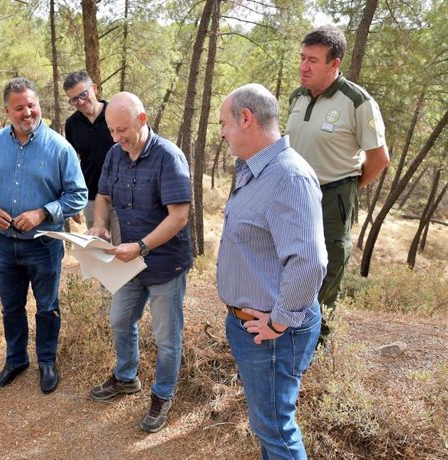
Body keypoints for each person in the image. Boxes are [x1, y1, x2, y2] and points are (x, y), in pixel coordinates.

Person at [217, 84, 327, 458]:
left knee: (275, 428)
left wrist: (279, 322)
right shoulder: (253, 170)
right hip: (252, 325)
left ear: (245, 118)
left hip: (272, 333)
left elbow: (309, 262)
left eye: (223, 123)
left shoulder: (289, 176)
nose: (221, 132)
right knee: (268, 425)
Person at [0, 77, 87, 395]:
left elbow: (78, 195)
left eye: (31, 105)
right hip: (5, 245)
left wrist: (42, 212)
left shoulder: (60, 148)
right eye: (19, 107)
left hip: (45, 244)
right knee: (11, 308)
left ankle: (47, 361)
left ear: (39, 106)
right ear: (7, 111)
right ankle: (16, 360)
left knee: (47, 306)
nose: (27, 112)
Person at [87, 91, 192, 433]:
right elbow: (103, 196)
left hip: (164, 265)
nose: (117, 138)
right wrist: (100, 224)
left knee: (166, 338)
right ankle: (125, 377)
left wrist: (142, 247)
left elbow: (179, 217)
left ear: (143, 120)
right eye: (112, 131)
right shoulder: (115, 155)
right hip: (129, 261)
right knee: (120, 319)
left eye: (122, 130)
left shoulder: (168, 157)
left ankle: (162, 396)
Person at [285, 26, 389, 340]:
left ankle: (319, 338)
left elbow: (379, 158)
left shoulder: (357, 101)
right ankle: (287, 327)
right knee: (291, 258)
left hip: (333, 194)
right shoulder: (297, 97)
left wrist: (349, 188)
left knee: (328, 264)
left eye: (313, 60)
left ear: (334, 63)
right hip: (294, 193)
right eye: (302, 58)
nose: (304, 66)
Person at [63, 70, 119, 243]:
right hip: (92, 198)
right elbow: (71, 166)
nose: (80, 102)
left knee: (122, 252)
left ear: (94, 88)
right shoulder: (72, 124)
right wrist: (72, 201)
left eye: (83, 94)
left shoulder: (116, 113)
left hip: (122, 197)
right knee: (100, 253)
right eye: (74, 99)